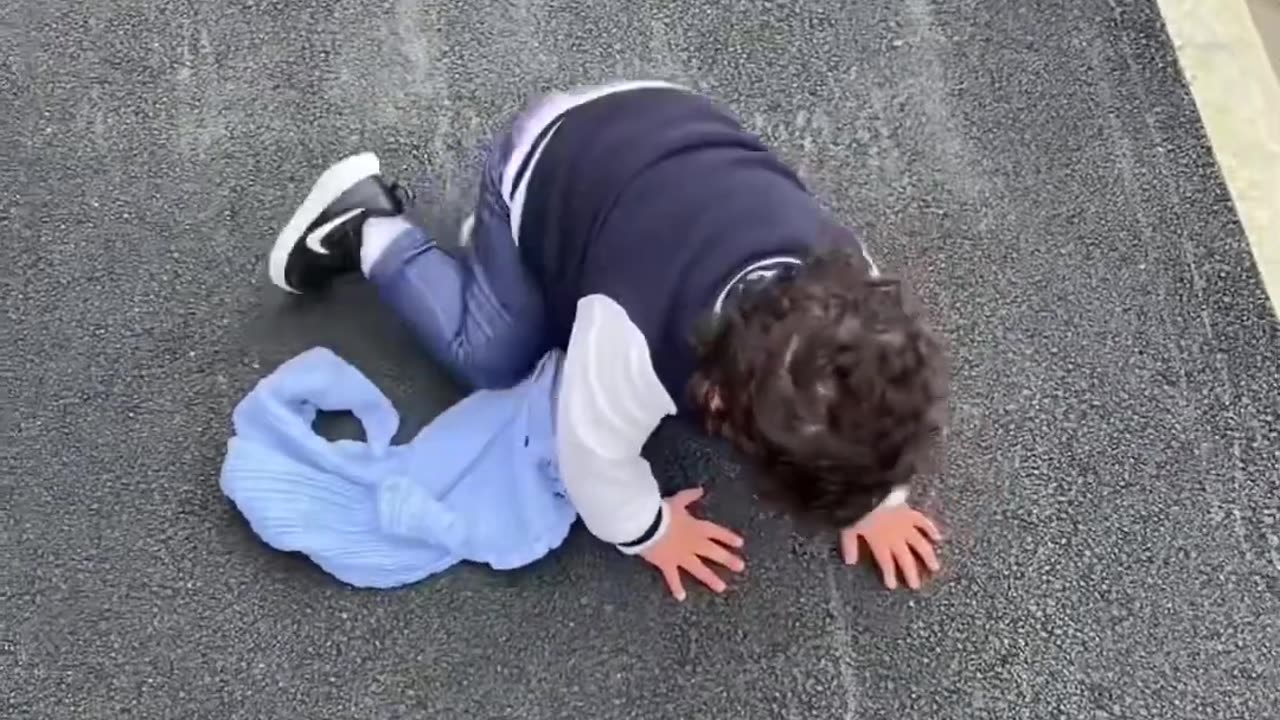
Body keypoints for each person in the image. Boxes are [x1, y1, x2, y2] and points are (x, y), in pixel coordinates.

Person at [265, 81, 948, 601]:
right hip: (546, 158)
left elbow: (872, 405)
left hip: (665, 118)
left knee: (574, 326)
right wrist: (650, 530)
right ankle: (368, 226)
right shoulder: (636, 345)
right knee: (497, 357)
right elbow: (590, 461)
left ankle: (518, 266)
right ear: (713, 406)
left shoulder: (852, 280)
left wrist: (876, 501)